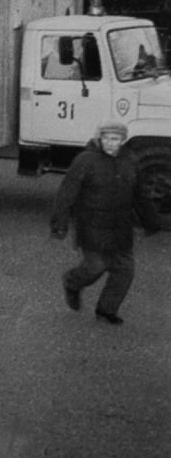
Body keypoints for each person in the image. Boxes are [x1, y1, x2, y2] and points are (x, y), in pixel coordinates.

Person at [51, 120, 160, 325]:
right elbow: (66, 193)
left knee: (125, 270)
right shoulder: (85, 160)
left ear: (123, 140)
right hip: (92, 225)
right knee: (96, 266)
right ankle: (72, 282)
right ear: (100, 139)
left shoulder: (131, 160)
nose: (111, 143)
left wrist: (150, 220)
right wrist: (59, 223)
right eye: (107, 138)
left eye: (116, 139)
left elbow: (141, 194)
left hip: (120, 227)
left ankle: (106, 310)